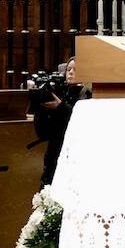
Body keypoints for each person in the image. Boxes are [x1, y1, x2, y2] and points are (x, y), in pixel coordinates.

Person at [28, 57, 87, 185]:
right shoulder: (58, 91)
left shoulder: (87, 94)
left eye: (75, 70)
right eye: (68, 69)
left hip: (72, 152)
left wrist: (60, 107)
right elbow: (43, 131)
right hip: (53, 150)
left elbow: (79, 119)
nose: (70, 72)